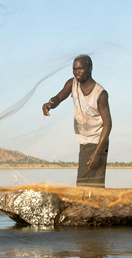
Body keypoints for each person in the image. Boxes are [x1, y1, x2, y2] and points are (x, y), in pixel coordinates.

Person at [43, 55, 111, 187]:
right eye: (74, 69)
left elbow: (108, 125)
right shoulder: (72, 83)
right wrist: (49, 104)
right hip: (84, 141)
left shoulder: (100, 94)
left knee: (92, 186)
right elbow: (58, 97)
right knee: (83, 184)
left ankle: (93, 207)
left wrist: (97, 152)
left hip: (97, 142)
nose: (77, 72)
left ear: (90, 69)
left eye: (80, 69)